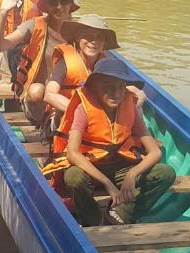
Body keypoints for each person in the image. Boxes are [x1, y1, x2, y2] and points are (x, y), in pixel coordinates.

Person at [47, 57, 176, 227]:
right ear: (95, 87)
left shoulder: (129, 106)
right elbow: (72, 153)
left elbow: (155, 152)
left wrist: (132, 174)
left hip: (121, 166)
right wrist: (108, 184)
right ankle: (91, 218)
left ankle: (122, 213)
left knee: (166, 173)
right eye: (108, 87)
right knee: (73, 177)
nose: (115, 93)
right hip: (91, 166)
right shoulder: (84, 108)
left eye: (120, 87)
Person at [0, 0, 80, 122]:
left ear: (71, 5)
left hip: (66, 96)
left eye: (64, 1)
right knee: (36, 91)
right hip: (38, 99)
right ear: (46, 5)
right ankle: (45, 122)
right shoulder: (34, 26)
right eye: (53, 2)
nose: (59, 7)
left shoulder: (81, 32)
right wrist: (3, 12)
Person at [43, 14, 118, 118]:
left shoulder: (107, 64)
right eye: (88, 36)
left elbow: (126, 88)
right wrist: (82, 112)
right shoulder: (65, 62)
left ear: (104, 43)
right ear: (78, 38)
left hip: (95, 117)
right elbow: (49, 94)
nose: (93, 42)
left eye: (99, 38)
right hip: (66, 115)